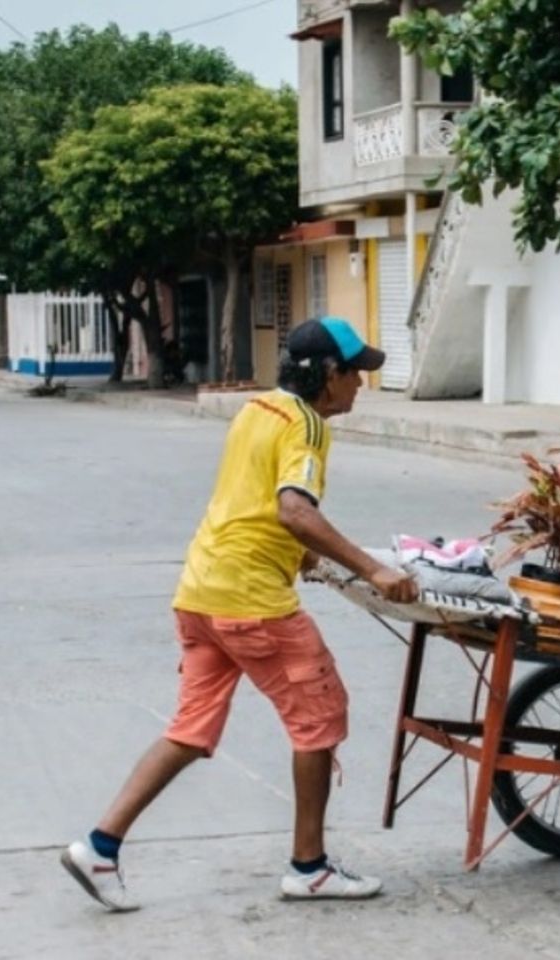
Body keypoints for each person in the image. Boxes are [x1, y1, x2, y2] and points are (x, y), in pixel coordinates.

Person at [60, 317, 419, 912]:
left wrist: (304, 557)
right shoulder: (307, 426)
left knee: (189, 730)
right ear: (329, 375)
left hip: (200, 592)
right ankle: (309, 867)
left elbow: (251, 501)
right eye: (356, 373)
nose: (361, 384)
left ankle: (99, 848)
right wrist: (373, 569)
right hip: (252, 603)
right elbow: (293, 510)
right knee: (320, 717)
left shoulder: (258, 409)